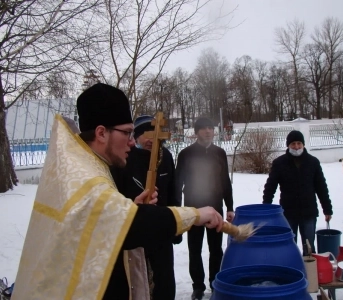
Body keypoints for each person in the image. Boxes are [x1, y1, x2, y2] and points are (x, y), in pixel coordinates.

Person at [12, 83, 224, 300]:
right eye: (127, 133)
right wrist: (196, 214)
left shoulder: (83, 163)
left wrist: (133, 209)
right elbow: (130, 224)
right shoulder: (84, 177)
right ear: (102, 133)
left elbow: (101, 221)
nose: (132, 142)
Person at [111, 114, 181, 300]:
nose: (151, 140)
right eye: (146, 135)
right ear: (137, 137)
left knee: (164, 280)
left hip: (163, 228)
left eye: (155, 135)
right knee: (140, 280)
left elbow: (174, 190)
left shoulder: (165, 157)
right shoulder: (127, 158)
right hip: (137, 232)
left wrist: (176, 227)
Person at [175, 117, 234, 300]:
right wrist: (178, 210)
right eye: (203, 128)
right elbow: (178, 183)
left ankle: (215, 283)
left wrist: (230, 206)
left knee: (216, 249)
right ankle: (198, 287)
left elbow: (225, 181)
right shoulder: (186, 154)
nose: (208, 131)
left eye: (211, 128)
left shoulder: (220, 153)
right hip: (193, 209)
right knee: (195, 249)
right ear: (196, 132)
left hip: (215, 207)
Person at [262, 130, 333, 255]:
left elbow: (321, 187)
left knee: (309, 246)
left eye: (299, 143)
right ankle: (291, 271)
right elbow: (270, 187)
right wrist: (266, 207)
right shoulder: (279, 163)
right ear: (288, 145)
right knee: (288, 246)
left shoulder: (313, 162)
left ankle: (309, 271)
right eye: (293, 144)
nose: (296, 147)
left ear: (303, 145)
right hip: (288, 213)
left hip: (308, 212)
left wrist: (327, 209)